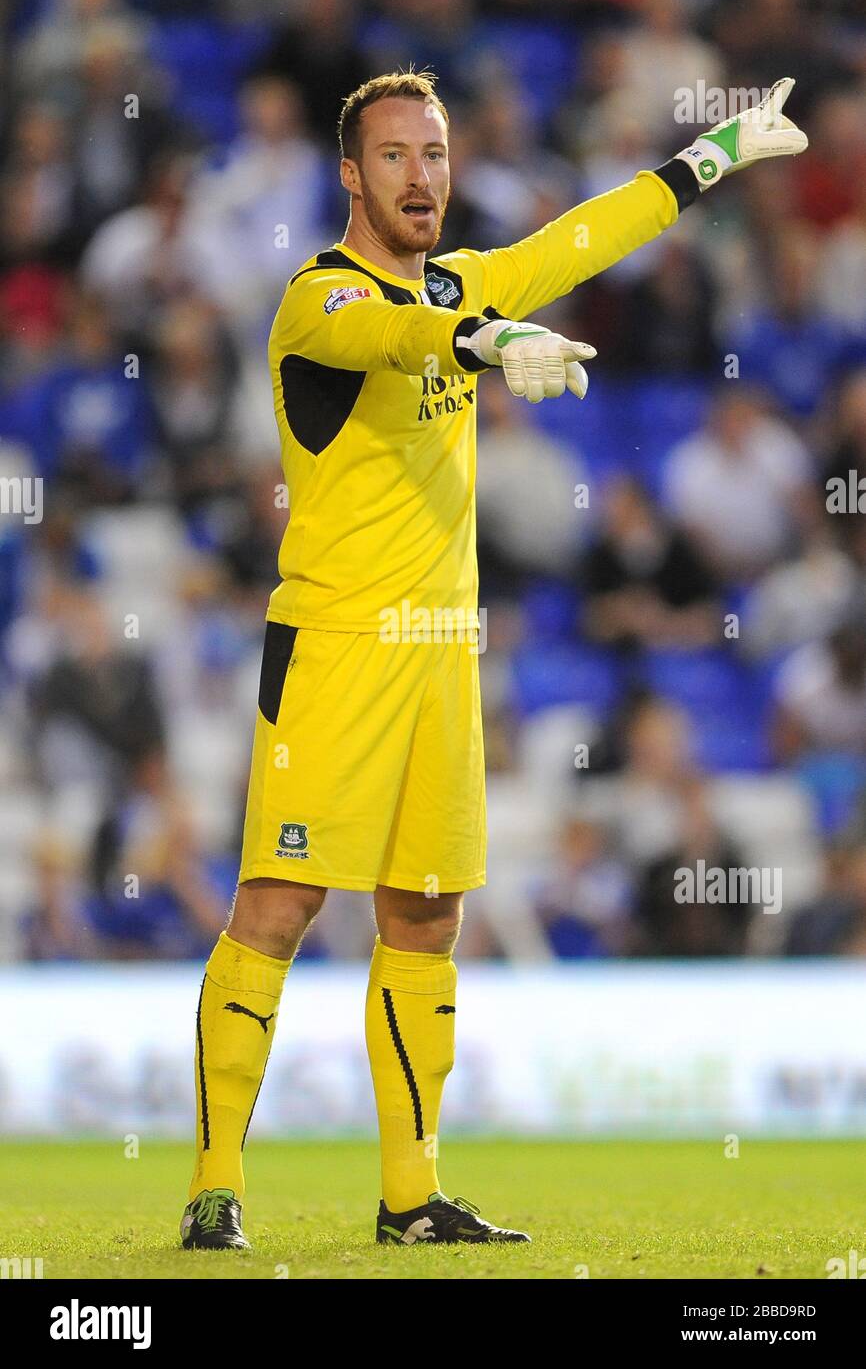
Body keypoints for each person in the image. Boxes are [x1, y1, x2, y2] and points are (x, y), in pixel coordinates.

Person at [180, 69, 808, 1251]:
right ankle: (216, 1187)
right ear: (350, 176)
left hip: (440, 662)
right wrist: (482, 336)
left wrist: (710, 156)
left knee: (424, 916)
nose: (421, 176)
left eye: (434, 152)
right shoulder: (314, 299)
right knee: (277, 901)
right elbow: (393, 330)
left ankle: (410, 1195)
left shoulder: (468, 278)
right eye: (395, 156)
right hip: (332, 650)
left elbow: (581, 235)